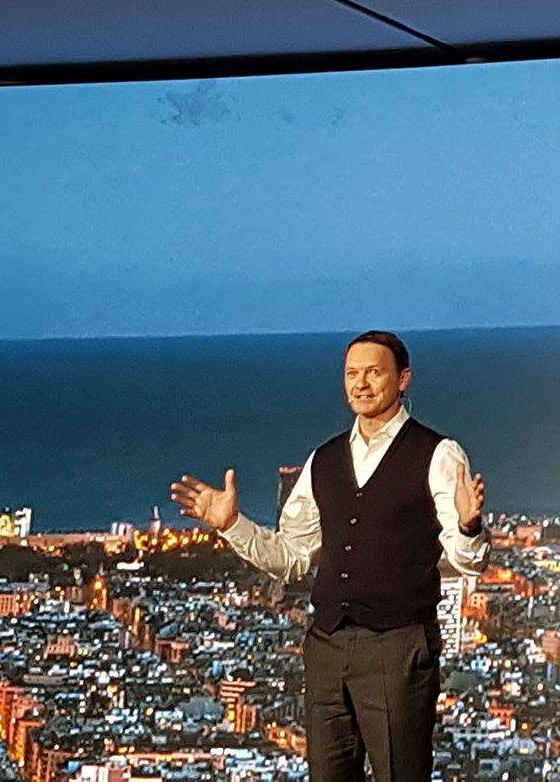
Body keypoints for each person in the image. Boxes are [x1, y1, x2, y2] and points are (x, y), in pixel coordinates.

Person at [169, 330, 489, 782]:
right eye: (352, 374)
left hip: (398, 645)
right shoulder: (323, 459)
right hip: (326, 645)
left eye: (374, 372)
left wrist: (470, 525)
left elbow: (468, 559)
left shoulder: (437, 454)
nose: (361, 384)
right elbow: (293, 556)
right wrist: (232, 525)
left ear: (403, 379)